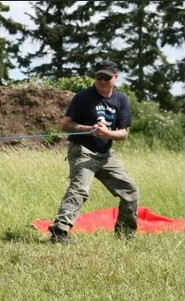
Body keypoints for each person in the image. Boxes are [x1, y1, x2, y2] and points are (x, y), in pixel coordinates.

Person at [48, 60, 139, 243]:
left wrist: (107, 133)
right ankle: (59, 232)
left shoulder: (121, 99)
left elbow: (124, 133)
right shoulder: (83, 96)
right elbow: (66, 125)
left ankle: (124, 235)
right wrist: (88, 128)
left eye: (106, 77)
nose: (102, 81)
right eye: (99, 77)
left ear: (116, 78)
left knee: (130, 190)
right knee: (80, 189)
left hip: (105, 155)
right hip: (82, 150)